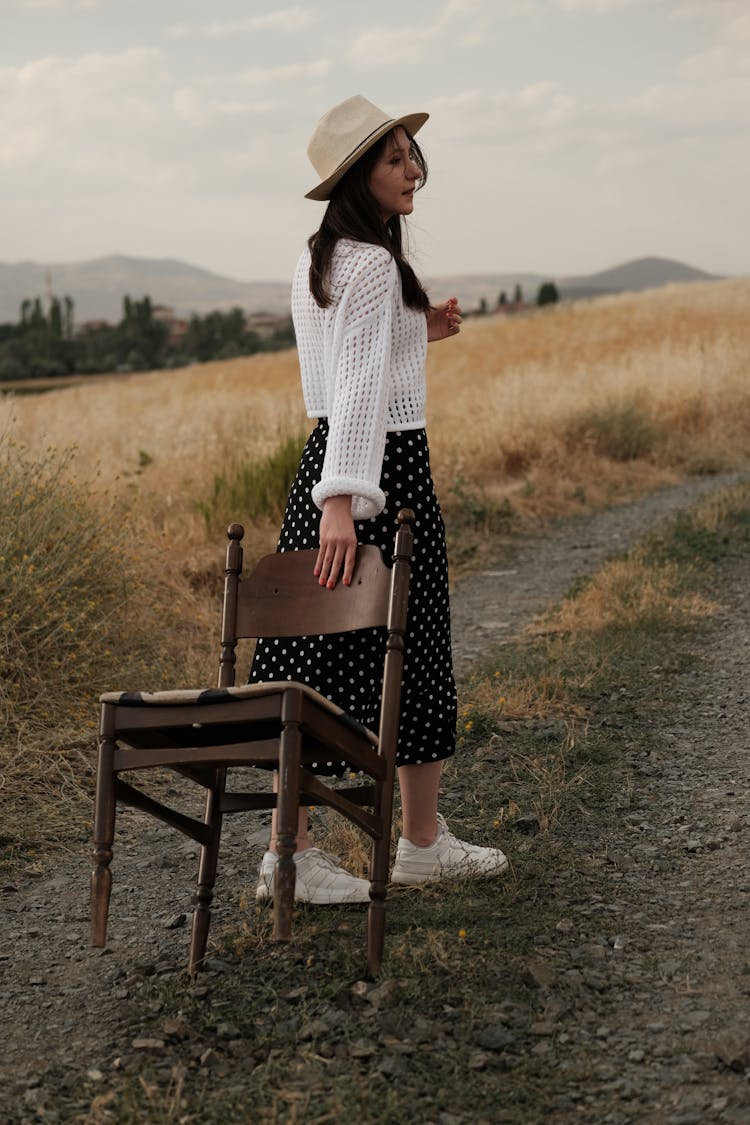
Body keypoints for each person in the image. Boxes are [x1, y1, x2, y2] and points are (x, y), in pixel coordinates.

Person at [251, 95, 509, 904]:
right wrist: (345, 499)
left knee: (310, 652)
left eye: (411, 156)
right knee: (406, 644)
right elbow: (357, 388)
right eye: (396, 159)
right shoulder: (367, 264)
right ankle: (407, 845)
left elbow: (340, 363)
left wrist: (416, 326)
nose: (414, 172)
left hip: (329, 466)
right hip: (371, 476)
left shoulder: (322, 257)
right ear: (359, 176)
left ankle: (290, 853)